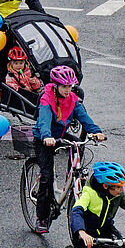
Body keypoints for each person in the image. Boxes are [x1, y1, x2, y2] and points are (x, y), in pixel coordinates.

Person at [33, 65, 107, 232]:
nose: (68, 90)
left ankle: (71, 176)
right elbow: (44, 120)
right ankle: (42, 218)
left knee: (78, 146)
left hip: (60, 134)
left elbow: (84, 117)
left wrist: (96, 131)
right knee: (47, 176)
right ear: (56, 85)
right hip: (44, 137)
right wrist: (46, 136)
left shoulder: (72, 99)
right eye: (64, 87)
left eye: (70, 86)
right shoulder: (47, 98)